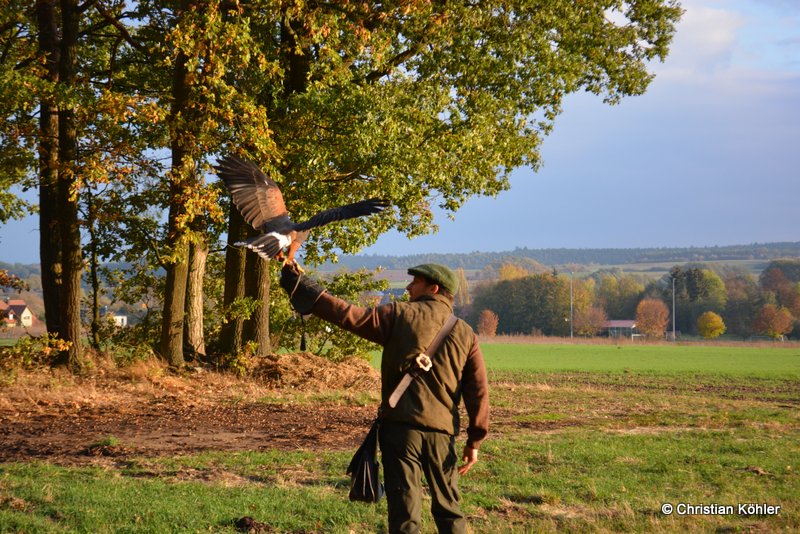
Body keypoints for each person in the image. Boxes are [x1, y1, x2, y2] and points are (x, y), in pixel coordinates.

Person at [280, 262, 489, 534]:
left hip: (401, 432)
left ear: (434, 288)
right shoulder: (466, 334)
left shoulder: (399, 314)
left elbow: (349, 316)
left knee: (404, 514)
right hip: (442, 435)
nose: (408, 287)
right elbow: (478, 391)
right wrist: (475, 440)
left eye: (415, 282)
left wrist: (304, 289)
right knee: (449, 510)